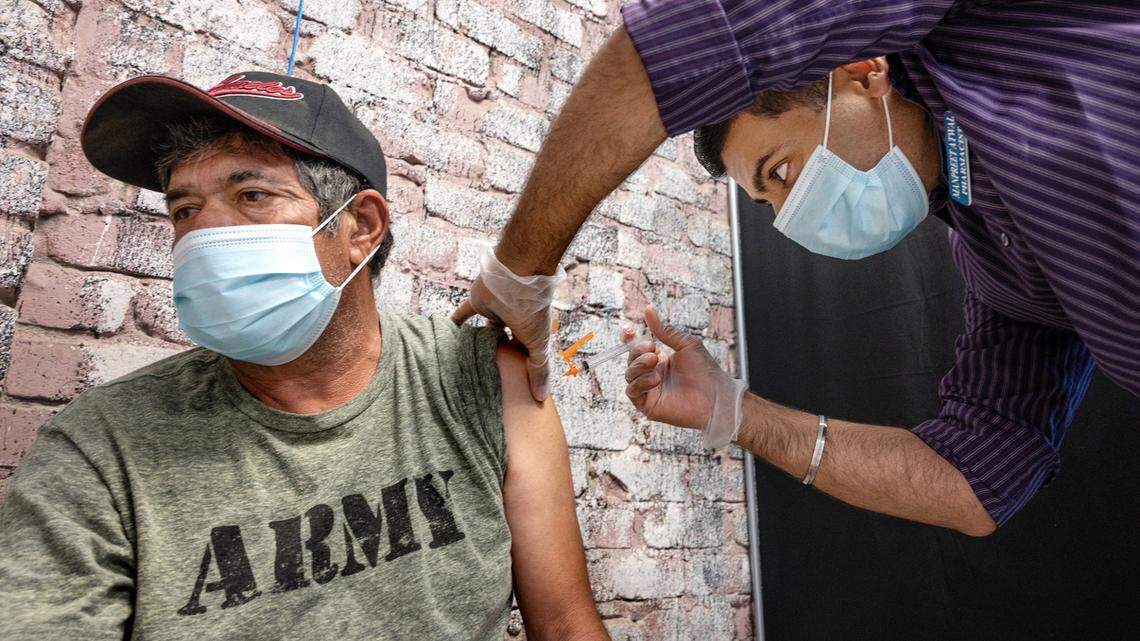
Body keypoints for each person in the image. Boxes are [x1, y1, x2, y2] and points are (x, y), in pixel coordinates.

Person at [453, 0, 1140, 536]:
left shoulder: (980, 27)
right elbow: (976, 479)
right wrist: (734, 412)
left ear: (863, 74)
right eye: (769, 202)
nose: (790, 215)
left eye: (780, 172)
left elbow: (680, 41)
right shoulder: (1008, 276)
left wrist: (519, 272)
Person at [0, 72, 609, 641]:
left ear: (361, 227)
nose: (205, 233)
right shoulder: (100, 449)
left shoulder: (479, 380)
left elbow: (564, 624)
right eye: (185, 210)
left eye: (252, 195)